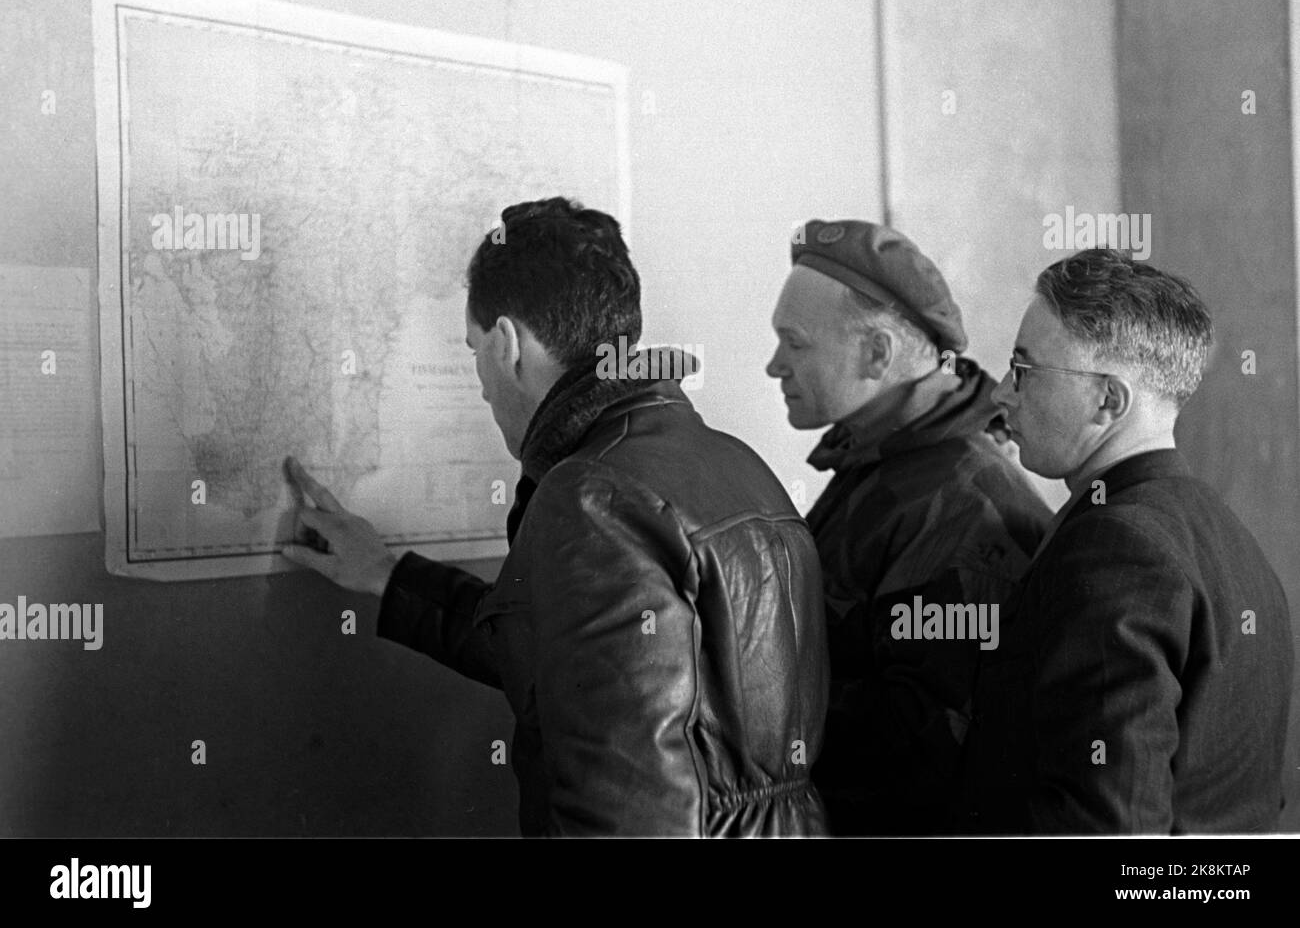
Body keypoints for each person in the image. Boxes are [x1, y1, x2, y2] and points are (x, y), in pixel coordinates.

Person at [283, 197, 828, 837]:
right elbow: (563, 659)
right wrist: (385, 572)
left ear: (509, 344)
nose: (482, 381)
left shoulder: (593, 498)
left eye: (474, 349)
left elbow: (626, 808)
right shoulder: (737, 464)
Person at [960, 249, 1294, 833]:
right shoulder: (1229, 538)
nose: (1001, 395)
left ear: (1109, 400)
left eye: (1024, 370)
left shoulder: (1116, 548)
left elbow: (1110, 827)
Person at [766, 219, 1050, 834]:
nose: (773, 366)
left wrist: (746, 699)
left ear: (877, 354)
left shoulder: (960, 505)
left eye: (794, 343)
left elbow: (925, 751)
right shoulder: (888, 463)